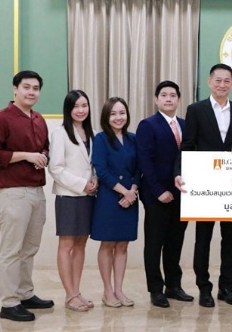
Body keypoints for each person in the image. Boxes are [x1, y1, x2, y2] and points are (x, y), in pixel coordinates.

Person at [174, 64, 232, 308]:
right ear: (209, 82)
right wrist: (179, 172)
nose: (222, 85)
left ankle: (226, 287)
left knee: (230, 239)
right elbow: (187, 145)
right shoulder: (196, 110)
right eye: (218, 80)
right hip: (204, 184)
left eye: (227, 80)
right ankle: (204, 288)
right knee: (203, 239)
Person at [0, 70, 54, 322]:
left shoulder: (39, 119)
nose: (31, 92)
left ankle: (25, 293)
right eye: (26, 87)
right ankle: (9, 303)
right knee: (11, 250)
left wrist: (43, 155)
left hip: (36, 191)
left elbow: (44, 147)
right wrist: (26, 155)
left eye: (36, 88)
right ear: (15, 89)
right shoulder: (0, 119)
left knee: (29, 248)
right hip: (13, 192)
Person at [136, 81, 193, 308]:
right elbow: (145, 161)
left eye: (172, 95)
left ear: (179, 100)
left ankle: (173, 286)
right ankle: (155, 289)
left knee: (175, 242)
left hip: (182, 195)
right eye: (164, 95)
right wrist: (159, 190)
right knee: (154, 243)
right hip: (156, 195)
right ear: (156, 99)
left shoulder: (186, 125)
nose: (168, 99)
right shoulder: (147, 125)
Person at [48, 90, 97, 312]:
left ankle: (77, 292)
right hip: (68, 195)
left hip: (88, 196)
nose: (80, 110)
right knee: (66, 245)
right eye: (76, 106)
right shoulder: (60, 134)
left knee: (81, 244)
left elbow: (94, 164)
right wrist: (81, 184)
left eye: (84, 105)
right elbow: (55, 168)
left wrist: (94, 180)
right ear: (68, 109)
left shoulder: (94, 133)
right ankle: (69, 295)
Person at [91, 97, 140, 308]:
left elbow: (140, 168)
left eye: (122, 113)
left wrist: (133, 191)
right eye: (113, 114)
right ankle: (107, 291)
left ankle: (119, 290)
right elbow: (101, 170)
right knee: (108, 243)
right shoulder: (100, 139)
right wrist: (124, 192)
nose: (118, 117)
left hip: (131, 197)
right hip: (109, 198)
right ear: (106, 117)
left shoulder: (133, 138)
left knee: (123, 244)